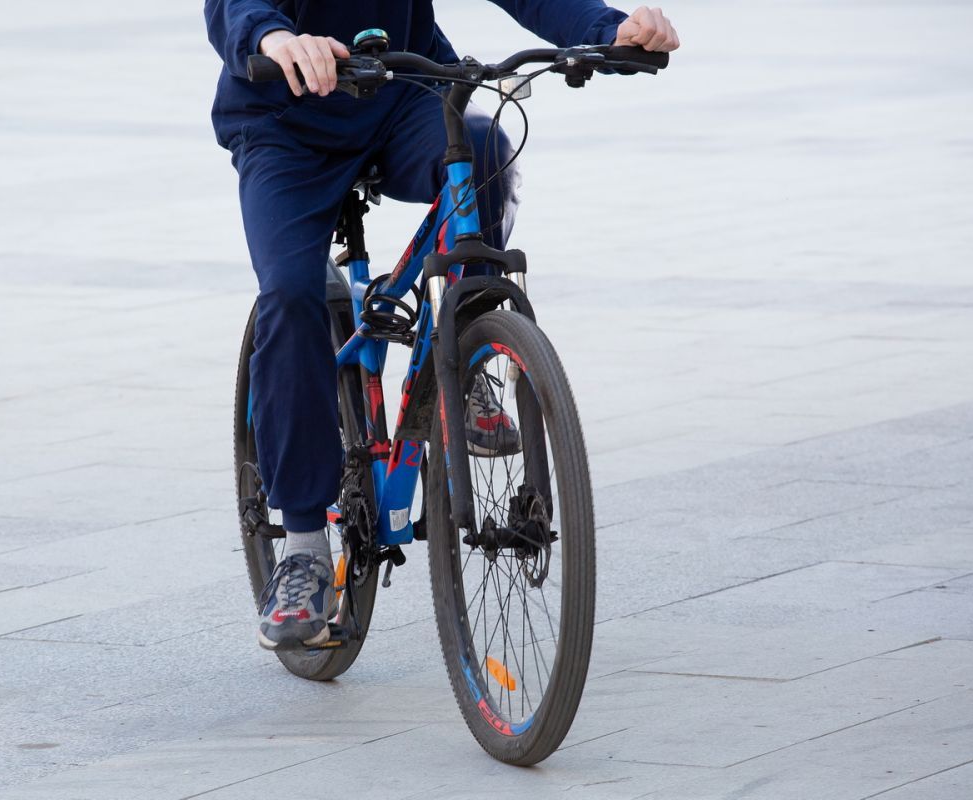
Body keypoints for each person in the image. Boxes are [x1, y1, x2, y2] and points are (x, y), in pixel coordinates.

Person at [204, 1, 679, 650]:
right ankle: (307, 547)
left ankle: (467, 357)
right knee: (290, 296)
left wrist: (606, 30)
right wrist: (274, 35)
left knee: (485, 148)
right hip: (283, 116)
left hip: (400, 95)